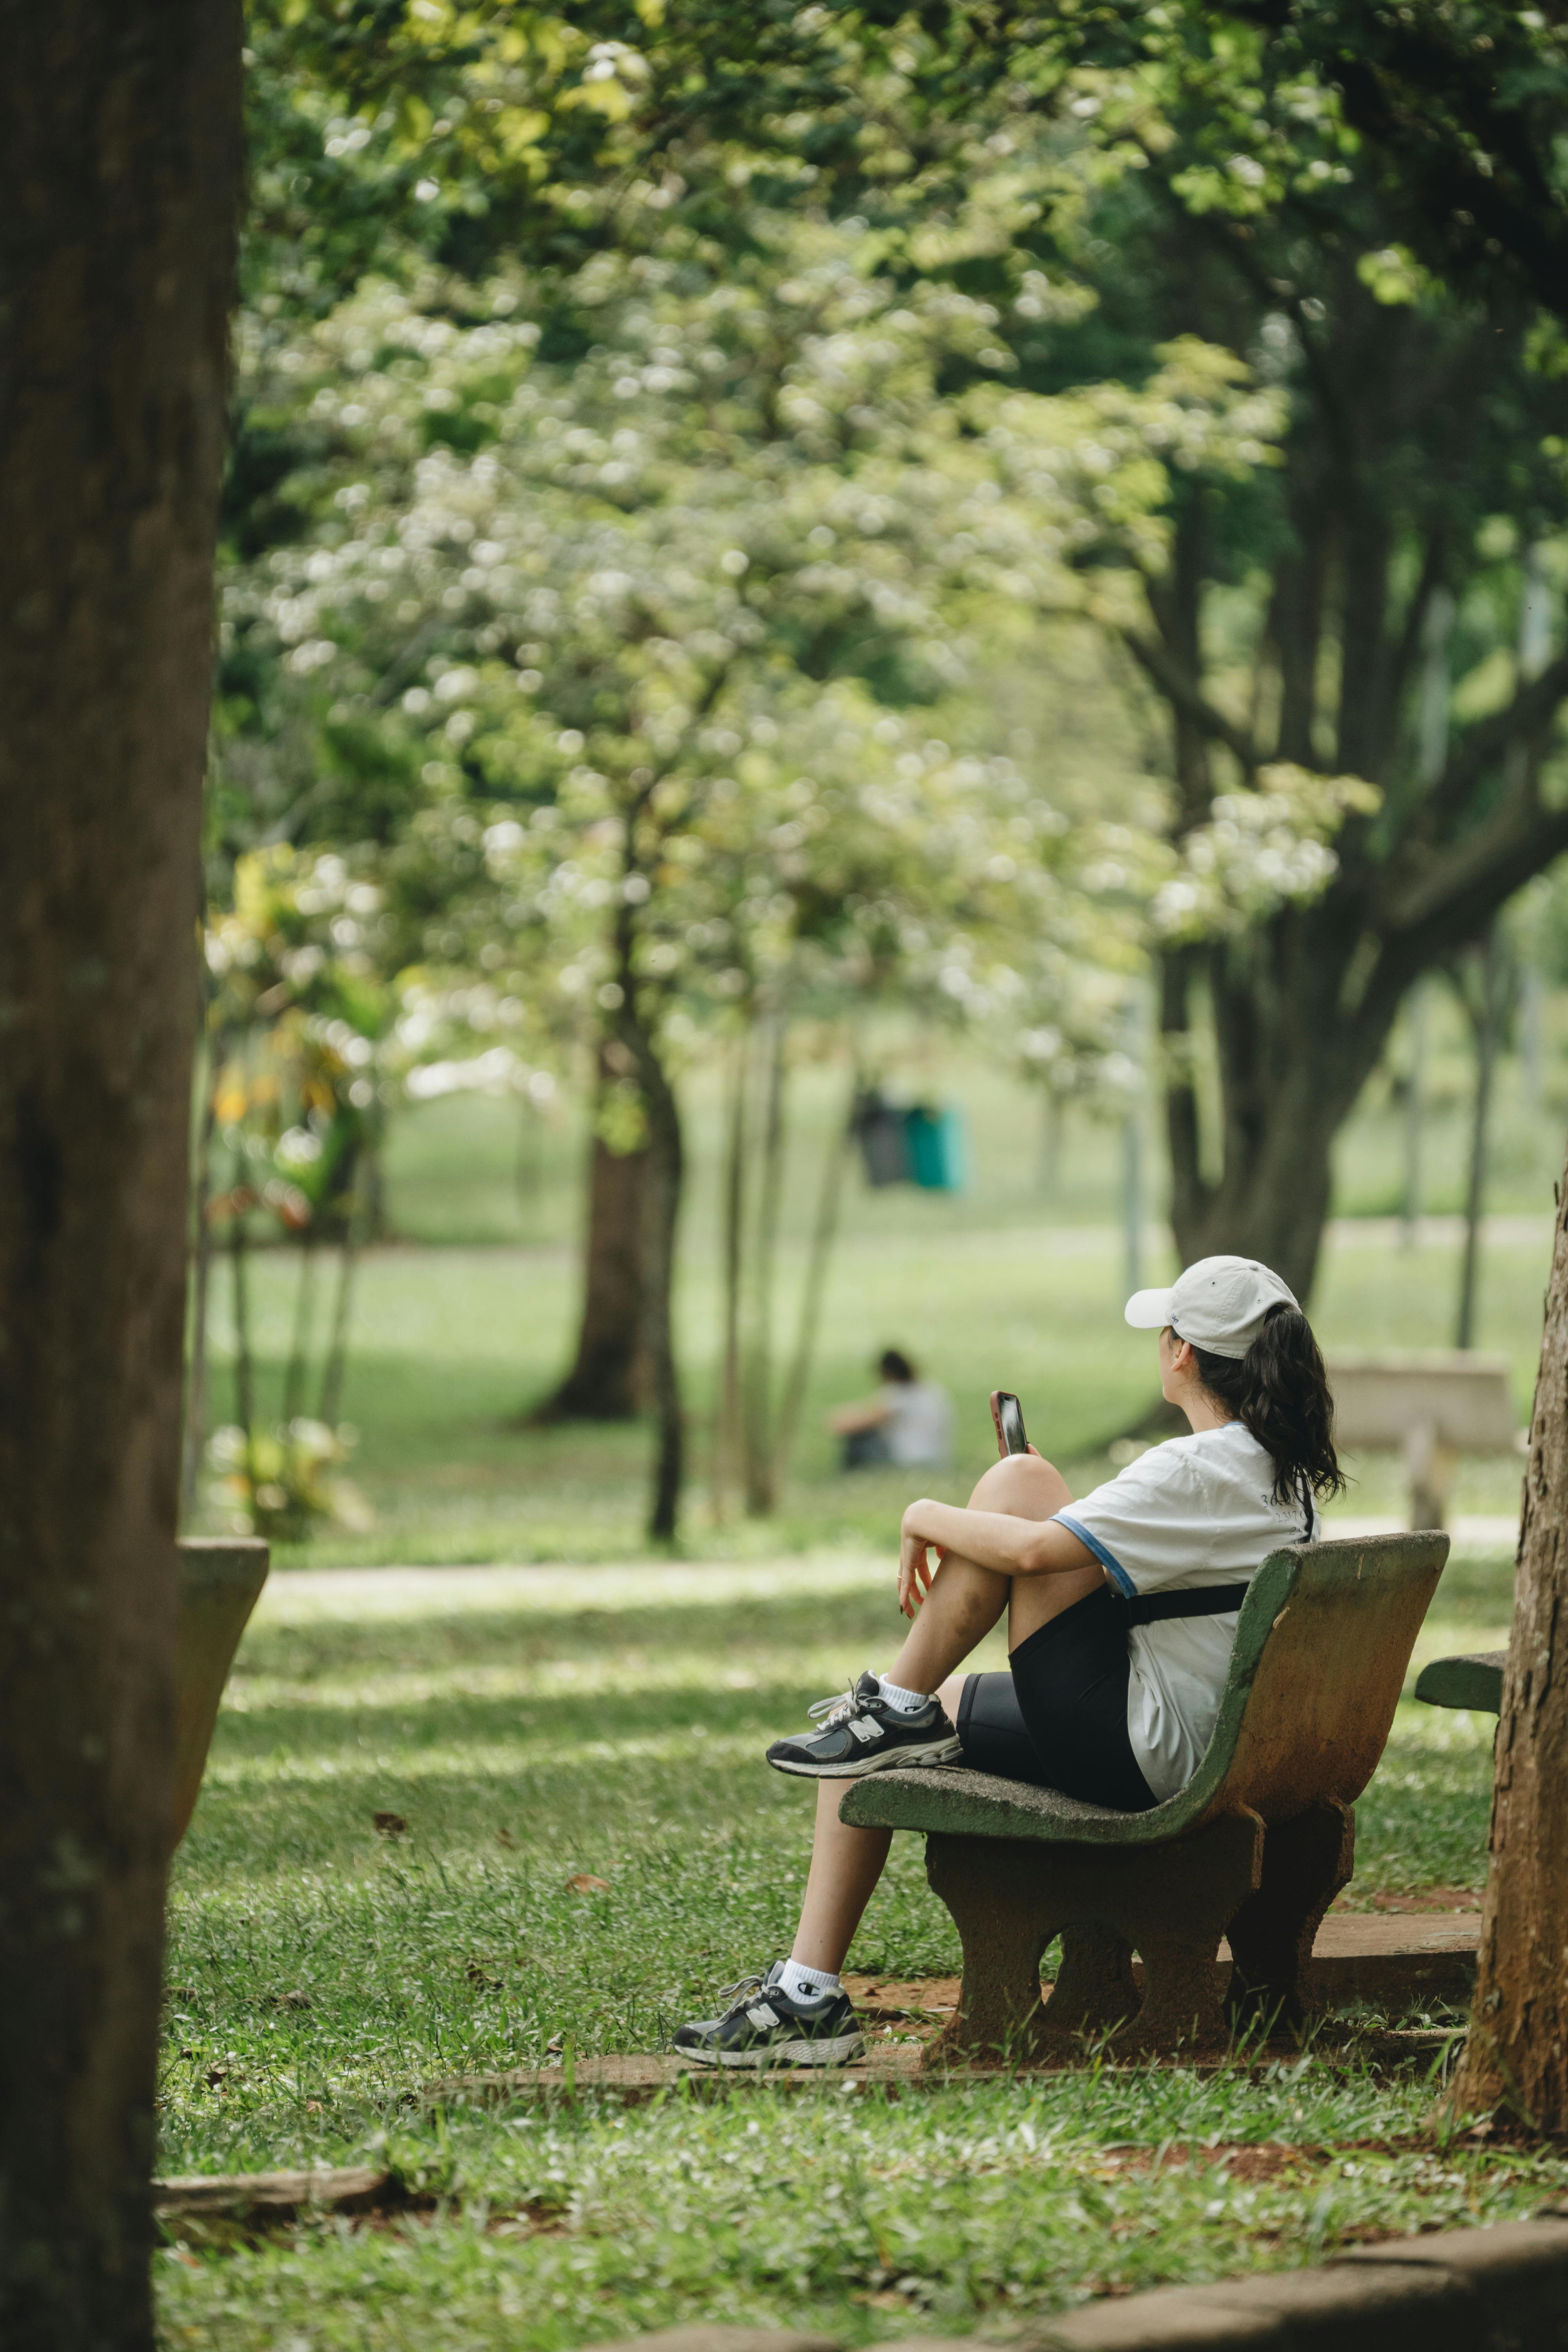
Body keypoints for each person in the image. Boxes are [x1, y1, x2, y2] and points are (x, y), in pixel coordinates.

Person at [675, 1254, 1345, 2069]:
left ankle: (809, 1990)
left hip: (1147, 1752)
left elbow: (1030, 1550)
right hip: (1213, 1742)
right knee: (901, 1726)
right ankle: (892, 1718)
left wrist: (927, 1510)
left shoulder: (1196, 1468)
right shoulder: (1273, 1469)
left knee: (1019, 1488)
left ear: (1180, 1354)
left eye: (1163, 1331)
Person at [828, 1348, 953, 1472]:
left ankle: (849, 1474)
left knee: (858, 1440)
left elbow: (850, 1425)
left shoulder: (897, 1395)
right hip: (937, 1458)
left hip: (908, 1458)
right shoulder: (932, 1390)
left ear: (888, 1373)